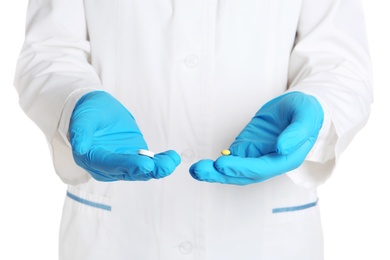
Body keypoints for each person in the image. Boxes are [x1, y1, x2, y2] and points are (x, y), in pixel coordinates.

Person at [14, 0, 372, 259]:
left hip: (263, 236)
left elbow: (340, 62)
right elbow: (48, 51)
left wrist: (317, 110)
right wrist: (74, 101)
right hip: (120, 235)